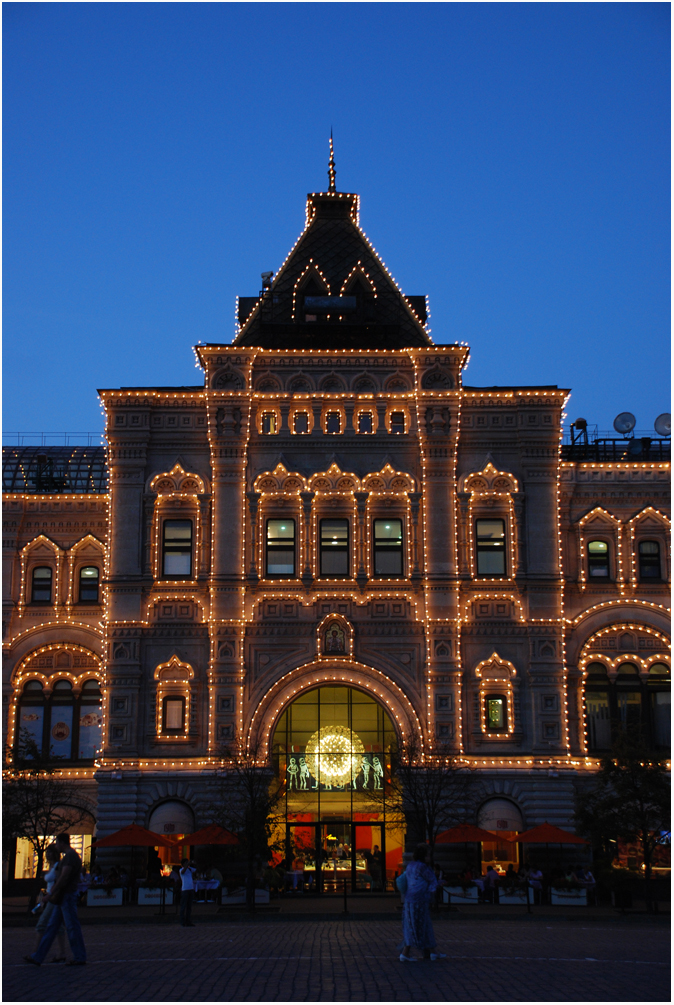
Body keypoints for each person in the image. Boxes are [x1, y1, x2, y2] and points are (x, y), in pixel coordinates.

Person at [24, 833, 87, 966]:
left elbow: (64, 877)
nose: (56, 845)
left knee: (71, 926)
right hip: (63, 896)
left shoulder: (70, 857)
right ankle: (38, 956)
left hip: (66, 895)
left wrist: (51, 892)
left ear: (62, 843)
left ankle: (79, 956)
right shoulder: (70, 856)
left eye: (57, 842)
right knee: (52, 926)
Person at [398, 844, 446, 962]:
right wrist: (435, 889)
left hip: (409, 899)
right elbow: (432, 882)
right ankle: (406, 953)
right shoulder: (423, 867)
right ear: (423, 856)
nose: (429, 858)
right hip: (420, 900)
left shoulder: (410, 866)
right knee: (420, 926)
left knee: (412, 925)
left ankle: (432, 952)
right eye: (428, 855)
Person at [33, 845, 67, 963]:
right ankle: (62, 953)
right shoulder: (51, 866)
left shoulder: (58, 866)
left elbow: (59, 882)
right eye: (47, 852)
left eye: (50, 852)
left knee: (42, 923)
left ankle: (36, 952)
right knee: (58, 927)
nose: (47, 854)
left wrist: (51, 895)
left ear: (55, 853)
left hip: (54, 898)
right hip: (49, 897)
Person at [179, 857, 197, 927]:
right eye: (186, 863)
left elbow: (196, 870)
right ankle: (182, 921)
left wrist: (194, 864)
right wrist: (187, 864)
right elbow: (183, 871)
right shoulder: (181, 870)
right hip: (185, 890)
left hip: (191, 889)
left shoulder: (190, 869)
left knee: (189, 907)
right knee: (183, 906)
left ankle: (188, 921)